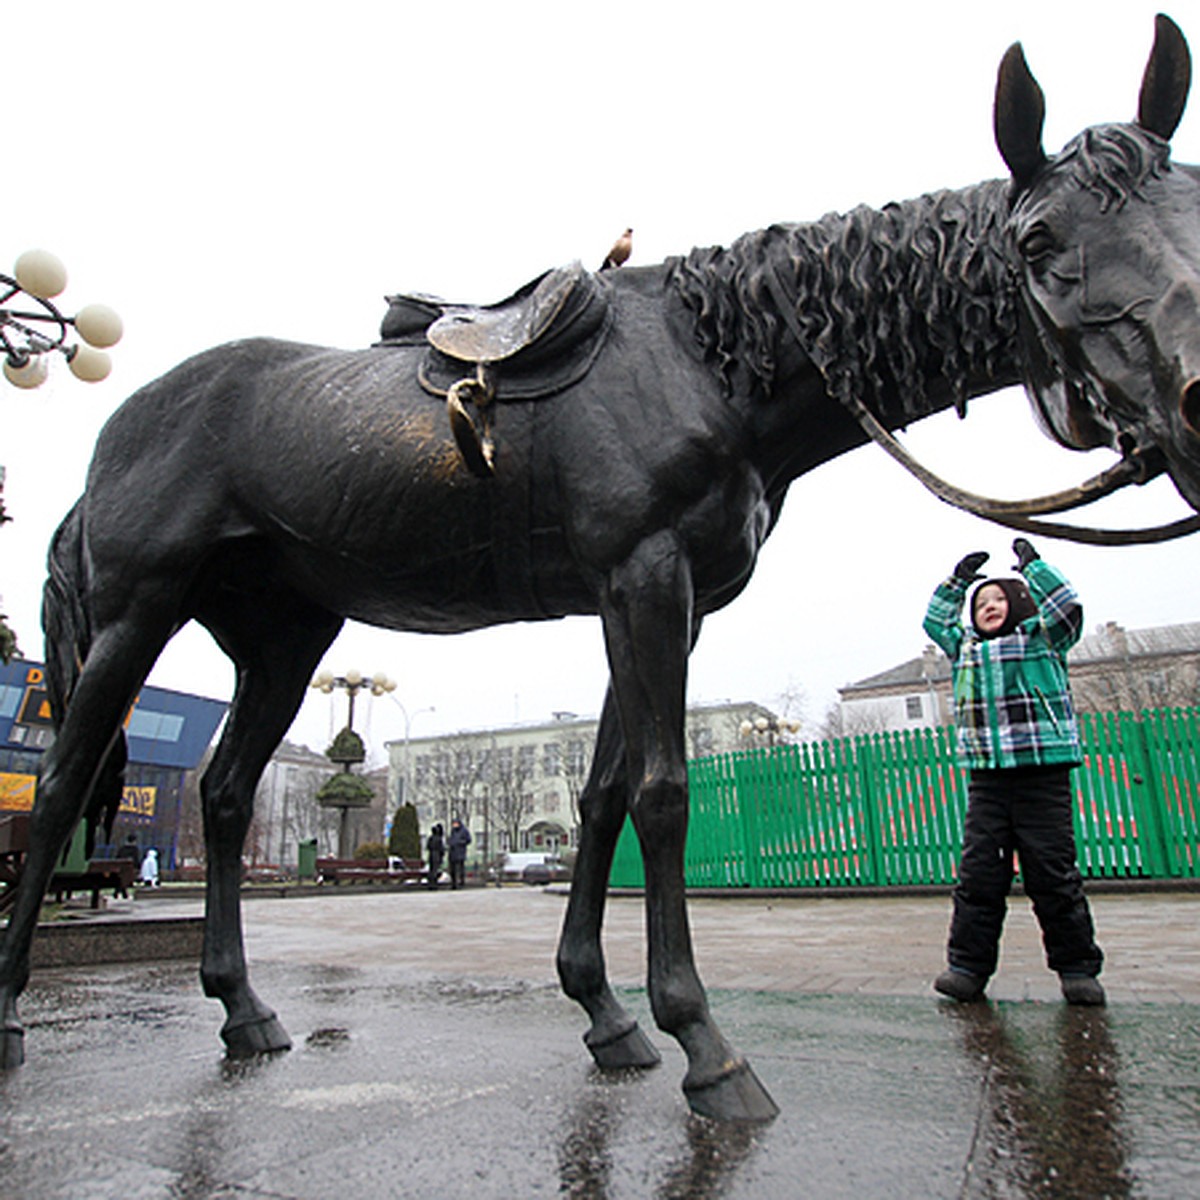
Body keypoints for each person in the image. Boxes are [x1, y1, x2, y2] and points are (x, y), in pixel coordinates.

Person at [923, 537, 1105, 1006]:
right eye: (981, 603)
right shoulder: (964, 648)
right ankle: (966, 968)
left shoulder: (1043, 639)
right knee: (979, 877)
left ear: (1020, 603)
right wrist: (958, 582)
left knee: (1052, 875)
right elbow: (935, 621)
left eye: (999, 598)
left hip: (1041, 774)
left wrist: (1035, 569)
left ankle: (1077, 969)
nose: (988, 607)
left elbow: (1068, 609)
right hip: (988, 779)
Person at [447, 818, 471, 890]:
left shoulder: (464, 831)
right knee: (452, 869)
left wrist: (460, 843)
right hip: (453, 852)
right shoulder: (453, 831)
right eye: (453, 824)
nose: (454, 825)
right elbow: (451, 839)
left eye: (456, 823)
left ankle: (461, 882)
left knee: (460, 868)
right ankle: (454, 883)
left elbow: (468, 840)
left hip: (460, 852)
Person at [426, 822, 445, 890]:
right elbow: (441, 848)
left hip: (431, 855)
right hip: (437, 855)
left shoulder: (430, 838)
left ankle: (430, 883)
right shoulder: (439, 839)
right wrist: (442, 855)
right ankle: (434, 884)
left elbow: (428, 847)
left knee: (431, 870)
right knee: (435, 870)